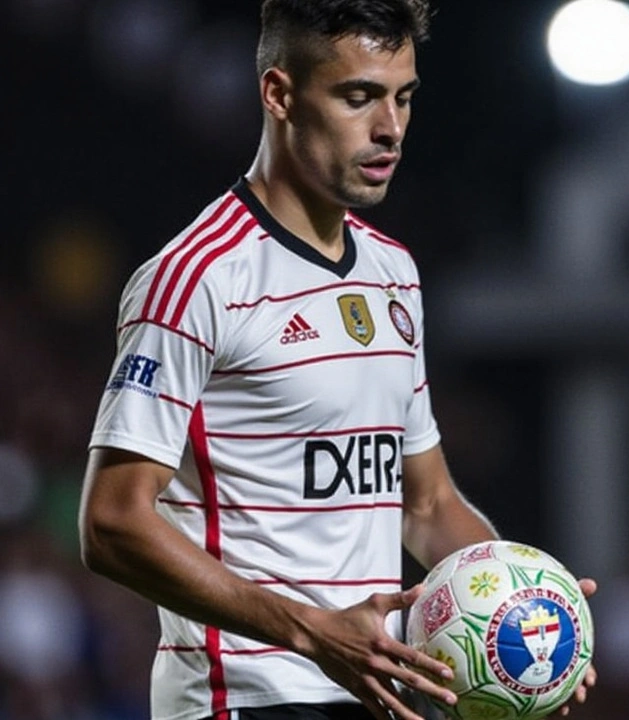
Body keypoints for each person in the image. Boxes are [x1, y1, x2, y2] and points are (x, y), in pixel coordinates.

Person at [77, 2, 596, 719]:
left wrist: (525, 609)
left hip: (371, 689)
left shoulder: (393, 273)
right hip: (243, 699)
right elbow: (111, 523)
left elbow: (428, 503)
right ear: (279, 94)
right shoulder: (198, 278)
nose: (390, 128)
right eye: (358, 96)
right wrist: (311, 632)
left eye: (403, 97)